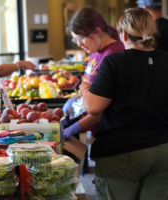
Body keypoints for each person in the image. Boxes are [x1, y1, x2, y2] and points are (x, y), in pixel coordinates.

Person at [80, 8, 168, 199]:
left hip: (122, 152)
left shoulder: (115, 63)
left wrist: (85, 88)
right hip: (162, 149)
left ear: (124, 34)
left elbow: (93, 107)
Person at [63, 7, 124, 140]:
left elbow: (102, 107)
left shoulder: (114, 55)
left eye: (81, 38)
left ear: (97, 31)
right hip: (96, 132)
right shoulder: (95, 51)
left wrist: (74, 127)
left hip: (111, 134)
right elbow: (89, 83)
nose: (79, 44)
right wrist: (77, 99)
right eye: (75, 40)